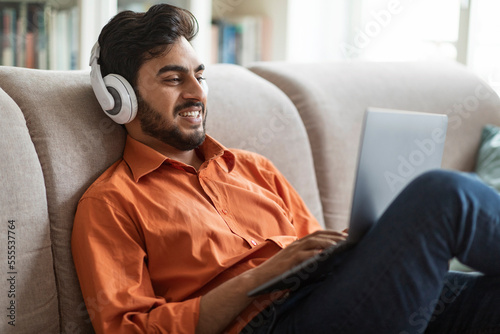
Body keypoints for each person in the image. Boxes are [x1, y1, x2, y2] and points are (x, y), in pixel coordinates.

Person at [71, 4, 500, 334]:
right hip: (274, 324)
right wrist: (263, 275)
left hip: (336, 298)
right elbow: (128, 328)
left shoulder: (254, 169)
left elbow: (318, 250)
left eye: (200, 75)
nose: (196, 92)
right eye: (172, 79)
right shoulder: (111, 203)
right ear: (119, 99)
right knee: (442, 196)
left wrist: (361, 248)